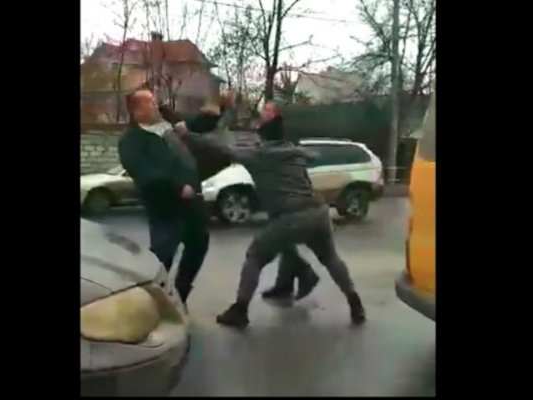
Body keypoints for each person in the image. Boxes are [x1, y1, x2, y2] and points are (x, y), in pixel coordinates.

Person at [176, 101, 366, 329]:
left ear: (262, 135)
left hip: (291, 216)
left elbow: (221, 148)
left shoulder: (260, 155)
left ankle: (239, 310)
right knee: (329, 257)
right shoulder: (294, 152)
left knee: (255, 255)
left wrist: (186, 135)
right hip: (318, 212)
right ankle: (355, 302)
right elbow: (310, 160)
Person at [118, 89, 221, 306]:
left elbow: (189, 154)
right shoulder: (131, 140)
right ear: (137, 110)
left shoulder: (168, 130)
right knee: (162, 258)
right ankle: (155, 302)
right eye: (150, 102)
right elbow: (146, 174)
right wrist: (178, 187)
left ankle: (181, 294)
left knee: (198, 246)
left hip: (192, 205)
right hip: (165, 207)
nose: (156, 105)